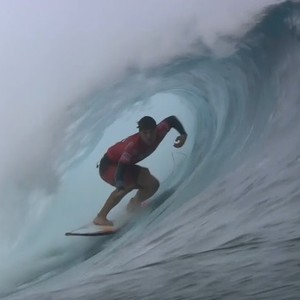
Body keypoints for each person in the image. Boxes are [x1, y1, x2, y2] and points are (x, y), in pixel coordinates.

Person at [94, 115, 188, 226]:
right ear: (140, 132)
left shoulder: (161, 130)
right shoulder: (133, 146)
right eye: (145, 133)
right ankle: (100, 217)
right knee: (127, 185)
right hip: (108, 165)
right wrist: (119, 182)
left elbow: (172, 119)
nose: (149, 136)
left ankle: (133, 205)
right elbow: (122, 166)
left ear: (156, 129)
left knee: (152, 185)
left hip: (125, 165)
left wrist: (183, 134)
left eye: (151, 132)